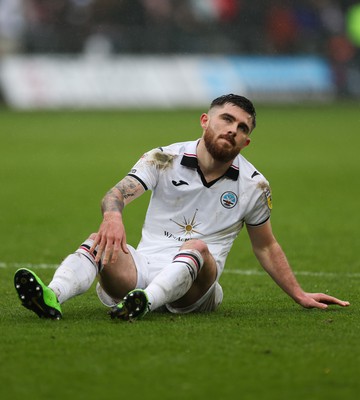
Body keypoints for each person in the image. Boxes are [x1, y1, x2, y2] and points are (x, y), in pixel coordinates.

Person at [14, 94, 350, 321]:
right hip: (143, 270)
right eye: (226, 119)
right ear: (205, 121)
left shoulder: (254, 186)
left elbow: (265, 245)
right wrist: (113, 216)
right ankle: (51, 295)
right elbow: (116, 194)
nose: (232, 129)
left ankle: (144, 304)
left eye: (242, 128)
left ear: (246, 142)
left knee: (198, 246)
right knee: (98, 240)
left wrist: (299, 294)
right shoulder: (163, 158)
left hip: (198, 288)